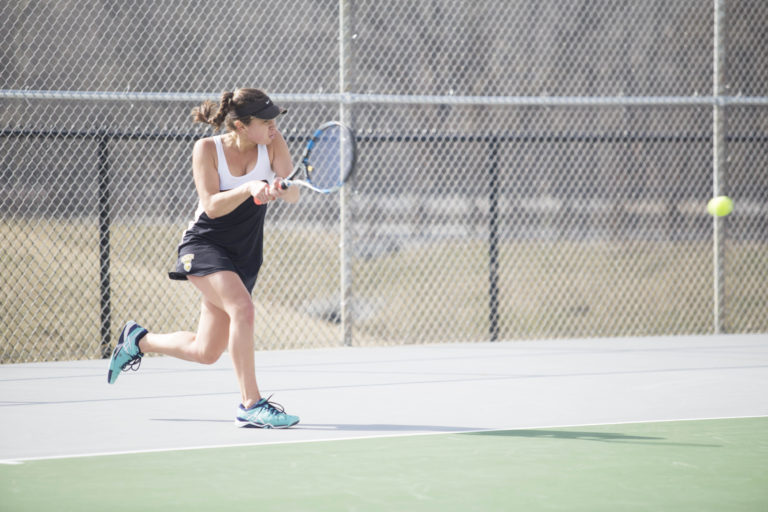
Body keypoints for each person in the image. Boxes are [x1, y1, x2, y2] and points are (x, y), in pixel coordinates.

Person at [106, 88, 301, 429]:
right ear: (240, 125)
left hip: (245, 254)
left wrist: (279, 188)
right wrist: (249, 188)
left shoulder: (274, 143)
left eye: (274, 121)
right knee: (243, 308)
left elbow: (294, 193)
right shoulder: (207, 149)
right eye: (265, 121)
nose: (273, 127)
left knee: (206, 352)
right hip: (204, 245)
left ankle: (138, 339)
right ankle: (250, 404)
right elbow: (211, 204)